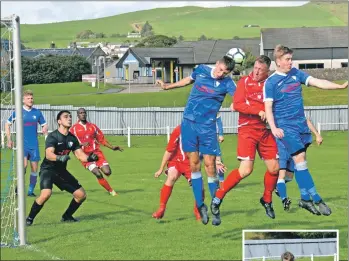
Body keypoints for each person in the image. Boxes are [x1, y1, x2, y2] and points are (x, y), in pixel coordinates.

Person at [264, 44, 348, 216]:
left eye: (291, 59)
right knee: (300, 160)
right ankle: (316, 198)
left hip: (301, 125)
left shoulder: (296, 74)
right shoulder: (270, 82)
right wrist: (273, 128)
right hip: (286, 128)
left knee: (301, 164)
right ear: (278, 61)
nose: (291, 62)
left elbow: (318, 82)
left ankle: (304, 199)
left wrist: (339, 87)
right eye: (287, 59)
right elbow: (268, 108)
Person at [157, 52, 236, 225]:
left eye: (225, 72)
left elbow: (238, 98)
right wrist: (167, 86)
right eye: (220, 69)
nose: (221, 73)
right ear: (216, 64)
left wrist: (235, 103)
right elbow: (187, 80)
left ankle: (215, 205)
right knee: (194, 164)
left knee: (210, 166)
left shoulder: (228, 83)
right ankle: (200, 205)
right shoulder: (201, 70)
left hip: (208, 127)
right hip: (189, 124)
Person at [211, 55, 280, 225]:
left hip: (264, 131)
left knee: (274, 168)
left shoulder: (270, 85)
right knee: (245, 170)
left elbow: (276, 105)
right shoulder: (243, 82)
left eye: (260, 70)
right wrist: (259, 111)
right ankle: (217, 198)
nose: (256, 72)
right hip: (247, 130)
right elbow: (238, 104)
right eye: (255, 68)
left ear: (267, 72)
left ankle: (267, 199)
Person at [26, 110, 99, 225]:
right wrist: (59, 158)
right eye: (66, 117)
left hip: (61, 172)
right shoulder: (53, 136)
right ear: (59, 121)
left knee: (81, 195)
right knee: (46, 194)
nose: (69, 118)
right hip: (48, 170)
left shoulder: (72, 138)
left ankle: (67, 216)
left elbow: (80, 155)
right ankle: (29, 219)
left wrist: (90, 158)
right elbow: (49, 155)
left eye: (70, 116)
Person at [152, 125, 201, 220]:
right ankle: (161, 209)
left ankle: (198, 210)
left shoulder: (203, 130)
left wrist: (217, 161)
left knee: (198, 186)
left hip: (191, 163)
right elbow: (169, 151)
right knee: (171, 176)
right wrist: (161, 168)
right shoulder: (178, 130)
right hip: (176, 160)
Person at [70, 108, 123, 196]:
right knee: (97, 173)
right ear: (78, 115)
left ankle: (99, 167)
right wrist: (81, 144)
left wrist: (112, 147)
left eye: (84, 113)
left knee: (107, 172)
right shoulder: (73, 129)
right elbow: (71, 143)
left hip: (97, 153)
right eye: (81, 113)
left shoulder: (93, 126)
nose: (83, 114)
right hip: (85, 156)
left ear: (86, 114)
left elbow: (101, 139)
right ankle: (111, 191)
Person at [5, 90, 48, 196]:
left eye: (32, 98)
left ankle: (30, 191)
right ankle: (18, 188)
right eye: (28, 98)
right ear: (23, 100)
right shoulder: (18, 112)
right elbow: (7, 124)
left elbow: (44, 124)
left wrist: (44, 129)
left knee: (34, 169)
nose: (31, 100)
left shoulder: (37, 112)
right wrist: (9, 139)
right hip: (22, 145)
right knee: (23, 166)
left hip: (34, 145)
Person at [276, 117, 323, 212]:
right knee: (282, 174)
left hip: (294, 147)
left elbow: (307, 121)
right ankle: (284, 198)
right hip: (283, 147)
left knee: (289, 176)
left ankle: (279, 188)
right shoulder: (279, 111)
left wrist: (317, 135)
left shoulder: (295, 110)